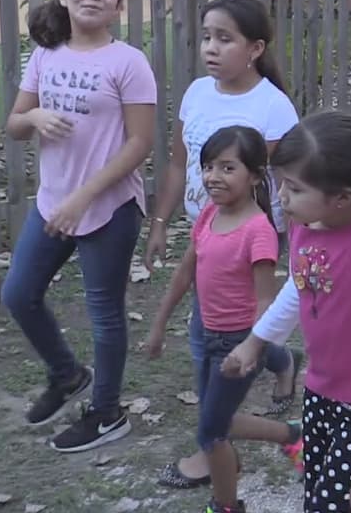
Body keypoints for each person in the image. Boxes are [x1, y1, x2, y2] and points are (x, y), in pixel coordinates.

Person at [141, 0, 303, 487]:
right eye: (207, 36)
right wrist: (161, 221)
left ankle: (210, 445)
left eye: (224, 39)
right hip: (205, 229)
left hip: (251, 237)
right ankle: (279, 362)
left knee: (227, 331)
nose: (210, 47)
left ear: (255, 49)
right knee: (218, 324)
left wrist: (302, 247)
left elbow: (286, 183)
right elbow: (178, 163)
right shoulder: (196, 93)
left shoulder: (273, 108)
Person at [222, 110, 351, 513]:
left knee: (337, 503)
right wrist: (255, 342)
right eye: (281, 183)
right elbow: (299, 290)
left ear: (342, 197)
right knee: (321, 491)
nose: (281, 197)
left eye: (294, 188)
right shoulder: (306, 228)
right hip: (320, 390)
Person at [1, 0, 156, 452]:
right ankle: (67, 375)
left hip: (108, 207)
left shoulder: (128, 62)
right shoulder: (45, 55)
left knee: (104, 314)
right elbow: (14, 124)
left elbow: (140, 143)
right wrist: (35, 117)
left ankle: (107, 413)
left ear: (119, 6)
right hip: (54, 202)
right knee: (18, 294)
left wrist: (84, 196)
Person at [145, 126, 305, 513]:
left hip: (238, 343)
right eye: (208, 167)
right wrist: (159, 324)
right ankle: (291, 436)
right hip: (207, 333)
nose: (213, 177)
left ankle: (226, 504)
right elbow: (185, 273)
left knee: (211, 431)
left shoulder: (258, 231)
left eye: (228, 168)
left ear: (255, 176)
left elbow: (265, 299)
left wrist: (252, 347)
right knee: (215, 422)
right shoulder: (208, 215)